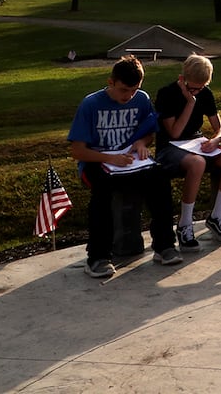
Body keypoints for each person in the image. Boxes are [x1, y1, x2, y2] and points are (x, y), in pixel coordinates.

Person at [67, 55, 183, 279]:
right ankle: (98, 257)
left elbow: (148, 131)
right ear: (111, 82)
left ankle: (164, 246)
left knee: (160, 179)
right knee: (102, 194)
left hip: (130, 162)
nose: (128, 96)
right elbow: (77, 151)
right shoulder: (91, 104)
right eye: (123, 90)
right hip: (97, 163)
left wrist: (141, 143)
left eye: (134, 90)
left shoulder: (141, 99)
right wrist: (109, 158)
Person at [154, 54, 221, 247]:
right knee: (197, 163)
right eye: (192, 87)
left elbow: (220, 128)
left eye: (200, 88)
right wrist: (190, 102)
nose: (196, 91)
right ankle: (185, 223)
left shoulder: (205, 93)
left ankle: (217, 216)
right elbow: (175, 133)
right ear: (182, 78)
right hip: (170, 147)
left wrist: (216, 139)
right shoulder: (166, 94)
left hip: (196, 143)